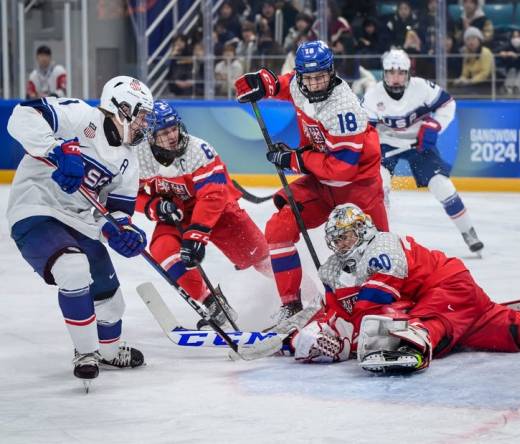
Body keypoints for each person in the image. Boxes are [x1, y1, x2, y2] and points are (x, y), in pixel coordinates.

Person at [233, 40, 389, 328]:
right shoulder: (299, 82)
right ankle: (291, 305)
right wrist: (261, 82)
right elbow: (283, 83)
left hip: (358, 188)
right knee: (278, 229)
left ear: (331, 73)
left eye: (321, 77)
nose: (315, 83)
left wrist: (294, 160)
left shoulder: (344, 109)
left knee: (376, 255)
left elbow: (341, 171)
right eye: (309, 77)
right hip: (320, 182)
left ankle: (380, 309)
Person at [7, 76, 152, 383]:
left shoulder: (129, 161)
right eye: (140, 115)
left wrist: (122, 232)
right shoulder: (78, 115)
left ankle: (109, 351)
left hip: (78, 219)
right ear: (121, 108)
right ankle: (86, 352)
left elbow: (116, 213)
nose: (142, 124)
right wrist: (57, 150)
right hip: (35, 207)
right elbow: (21, 115)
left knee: (111, 296)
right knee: (72, 268)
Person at [289, 204, 520, 373]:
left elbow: (371, 310)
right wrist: (301, 338)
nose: (342, 244)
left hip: (448, 287)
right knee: (513, 331)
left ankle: (412, 344)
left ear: (362, 230)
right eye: (337, 239)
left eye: (347, 236)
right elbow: (338, 314)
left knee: (409, 326)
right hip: (456, 306)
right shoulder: (333, 269)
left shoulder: (381, 246)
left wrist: (344, 344)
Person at [135, 100, 271, 330]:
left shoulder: (198, 150)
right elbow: (130, 193)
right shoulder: (140, 156)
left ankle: (301, 295)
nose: (171, 137)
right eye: (163, 133)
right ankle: (214, 305)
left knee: (259, 256)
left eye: (173, 129)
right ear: (150, 136)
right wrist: (153, 206)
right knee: (163, 250)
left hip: (219, 212)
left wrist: (197, 234)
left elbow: (214, 195)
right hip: (179, 213)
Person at [362, 49, 484, 254]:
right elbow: (366, 129)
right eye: (391, 72)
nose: (396, 78)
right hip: (385, 144)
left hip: (418, 145)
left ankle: (468, 232)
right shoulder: (372, 95)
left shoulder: (422, 88)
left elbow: (448, 103)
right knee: (379, 188)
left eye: (401, 73)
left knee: (442, 186)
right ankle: (380, 238)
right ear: (384, 73)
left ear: (408, 73)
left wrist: (435, 125)